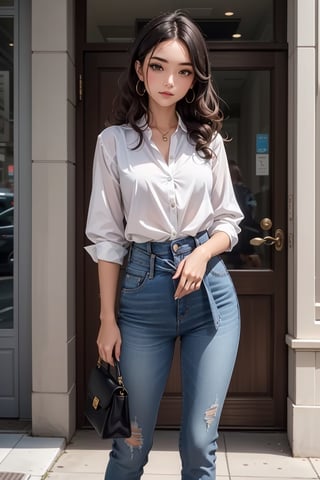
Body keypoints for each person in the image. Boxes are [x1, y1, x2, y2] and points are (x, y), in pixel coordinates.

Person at [85, 10, 243, 480]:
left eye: (183, 70)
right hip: (141, 300)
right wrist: (107, 320)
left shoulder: (208, 141)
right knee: (131, 445)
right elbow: (108, 237)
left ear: (195, 78)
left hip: (210, 299)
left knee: (199, 444)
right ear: (140, 69)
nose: (169, 80)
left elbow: (229, 222)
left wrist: (200, 252)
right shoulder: (113, 144)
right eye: (158, 66)